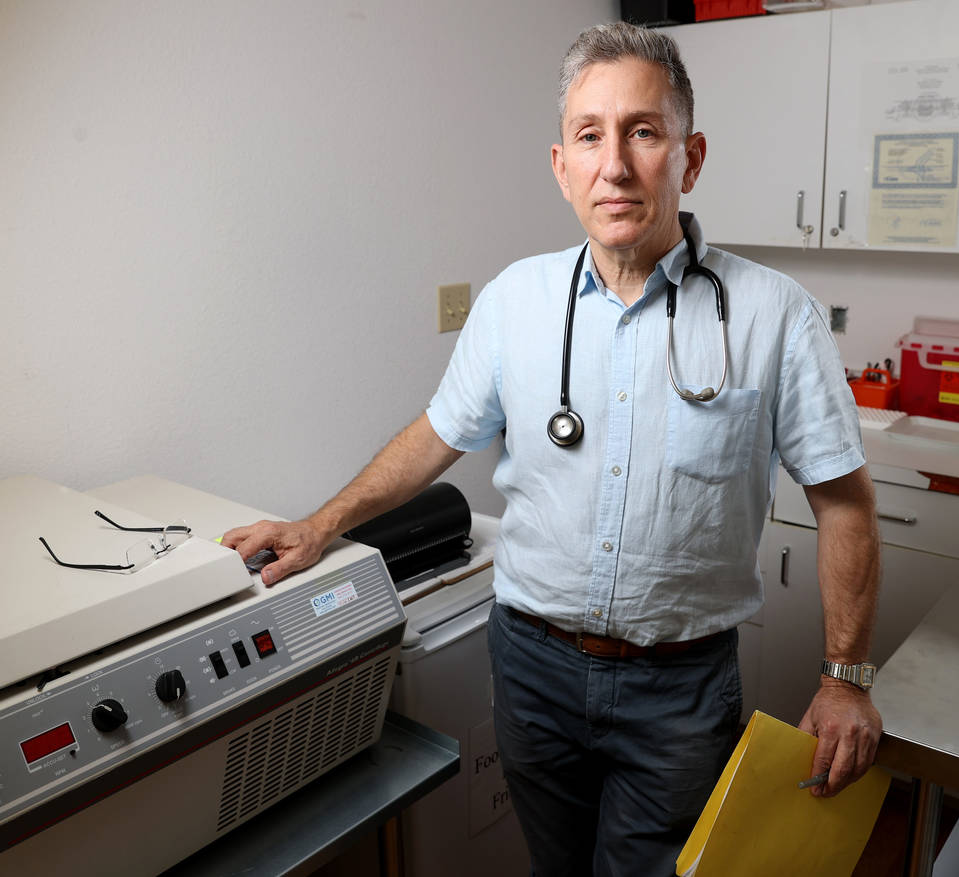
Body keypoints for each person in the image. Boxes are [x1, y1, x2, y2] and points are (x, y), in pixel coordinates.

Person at [223, 21, 881, 877]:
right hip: (532, 670)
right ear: (562, 164)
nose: (616, 163)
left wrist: (846, 676)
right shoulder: (513, 303)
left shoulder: (772, 315)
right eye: (590, 135)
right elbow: (435, 435)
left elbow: (845, 502)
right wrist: (320, 523)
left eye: (644, 132)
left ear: (691, 156)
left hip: (679, 690)